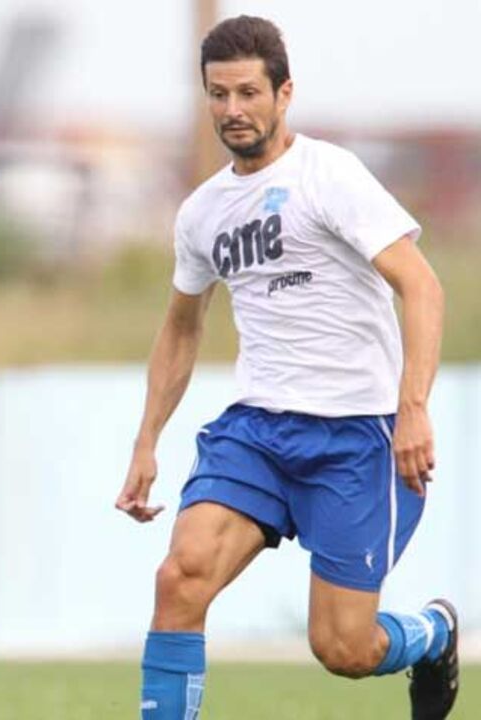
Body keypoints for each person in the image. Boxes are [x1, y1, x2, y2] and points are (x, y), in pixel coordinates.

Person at [115, 15, 457, 720]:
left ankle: (431, 633)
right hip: (257, 432)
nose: (232, 110)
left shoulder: (327, 175)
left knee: (342, 648)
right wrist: (146, 441)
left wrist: (412, 408)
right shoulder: (202, 212)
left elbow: (420, 285)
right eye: (217, 95)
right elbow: (181, 326)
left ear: (283, 93)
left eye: (246, 92)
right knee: (178, 579)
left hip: (356, 438)